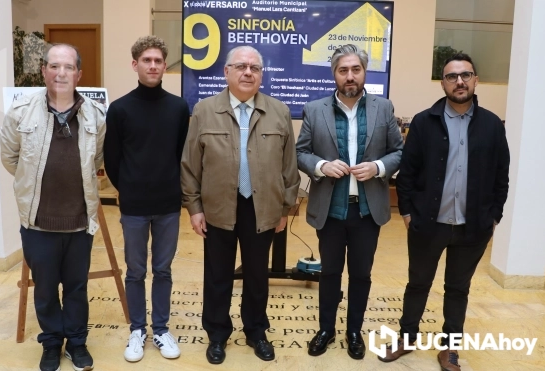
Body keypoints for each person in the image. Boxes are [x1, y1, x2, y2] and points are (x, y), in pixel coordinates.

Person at [378, 53, 510, 371]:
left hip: (473, 225)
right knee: (418, 283)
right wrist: (408, 213)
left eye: (466, 75)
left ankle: (449, 348)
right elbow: (407, 173)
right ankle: (407, 337)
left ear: (475, 80)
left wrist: (494, 216)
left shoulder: (492, 124)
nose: (460, 81)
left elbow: (501, 175)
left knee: (457, 288)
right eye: (452, 76)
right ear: (443, 83)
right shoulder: (425, 122)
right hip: (428, 223)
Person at [181, 45, 300, 365]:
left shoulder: (279, 111)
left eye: (255, 68)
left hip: (263, 208)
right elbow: (190, 165)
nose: (248, 72)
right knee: (218, 275)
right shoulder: (205, 110)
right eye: (241, 67)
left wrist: (286, 208)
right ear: (227, 72)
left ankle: (256, 331)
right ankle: (217, 334)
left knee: (257, 275)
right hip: (218, 207)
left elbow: (290, 166)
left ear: (261, 75)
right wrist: (194, 208)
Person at [0, 43, 106, 371]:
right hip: (37, 224)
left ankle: (76, 342)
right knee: (45, 289)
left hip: (79, 223)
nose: (61, 73)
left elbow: (99, 160)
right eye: (54, 66)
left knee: (76, 287)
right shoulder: (21, 113)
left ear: (79, 74)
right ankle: (50, 343)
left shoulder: (96, 116)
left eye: (68, 67)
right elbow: (10, 157)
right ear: (44, 70)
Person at [296, 44, 403, 360]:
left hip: (367, 210)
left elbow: (398, 151)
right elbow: (301, 152)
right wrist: (321, 166)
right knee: (329, 272)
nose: (350, 76)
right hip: (330, 208)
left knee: (361, 274)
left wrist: (379, 167)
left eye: (355, 69)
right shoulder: (315, 109)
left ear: (364, 72)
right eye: (343, 70)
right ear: (334, 74)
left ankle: (354, 330)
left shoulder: (383, 108)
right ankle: (326, 329)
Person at [104, 36, 189, 362]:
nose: (153, 66)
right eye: (146, 60)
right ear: (135, 64)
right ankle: (137, 330)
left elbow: (183, 154)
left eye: (158, 61)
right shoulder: (120, 109)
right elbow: (111, 160)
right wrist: (129, 188)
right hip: (135, 206)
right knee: (136, 271)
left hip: (168, 205)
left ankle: (162, 329)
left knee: (163, 270)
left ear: (164, 66)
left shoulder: (179, 107)